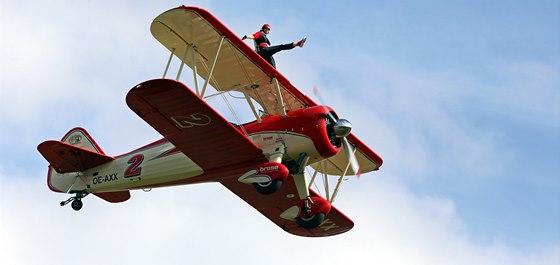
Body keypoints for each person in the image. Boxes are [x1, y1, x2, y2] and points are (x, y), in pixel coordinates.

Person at [242, 24, 306, 68]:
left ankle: (275, 78)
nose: (267, 30)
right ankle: (298, 44)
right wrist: (246, 36)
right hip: (263, 50)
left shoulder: (265, 37)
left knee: (273, 68)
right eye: (266, 28)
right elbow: (253, 36)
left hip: (266, 53)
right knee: (281, 47)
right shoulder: (259, 33)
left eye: (269, 29)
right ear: (263, 28)